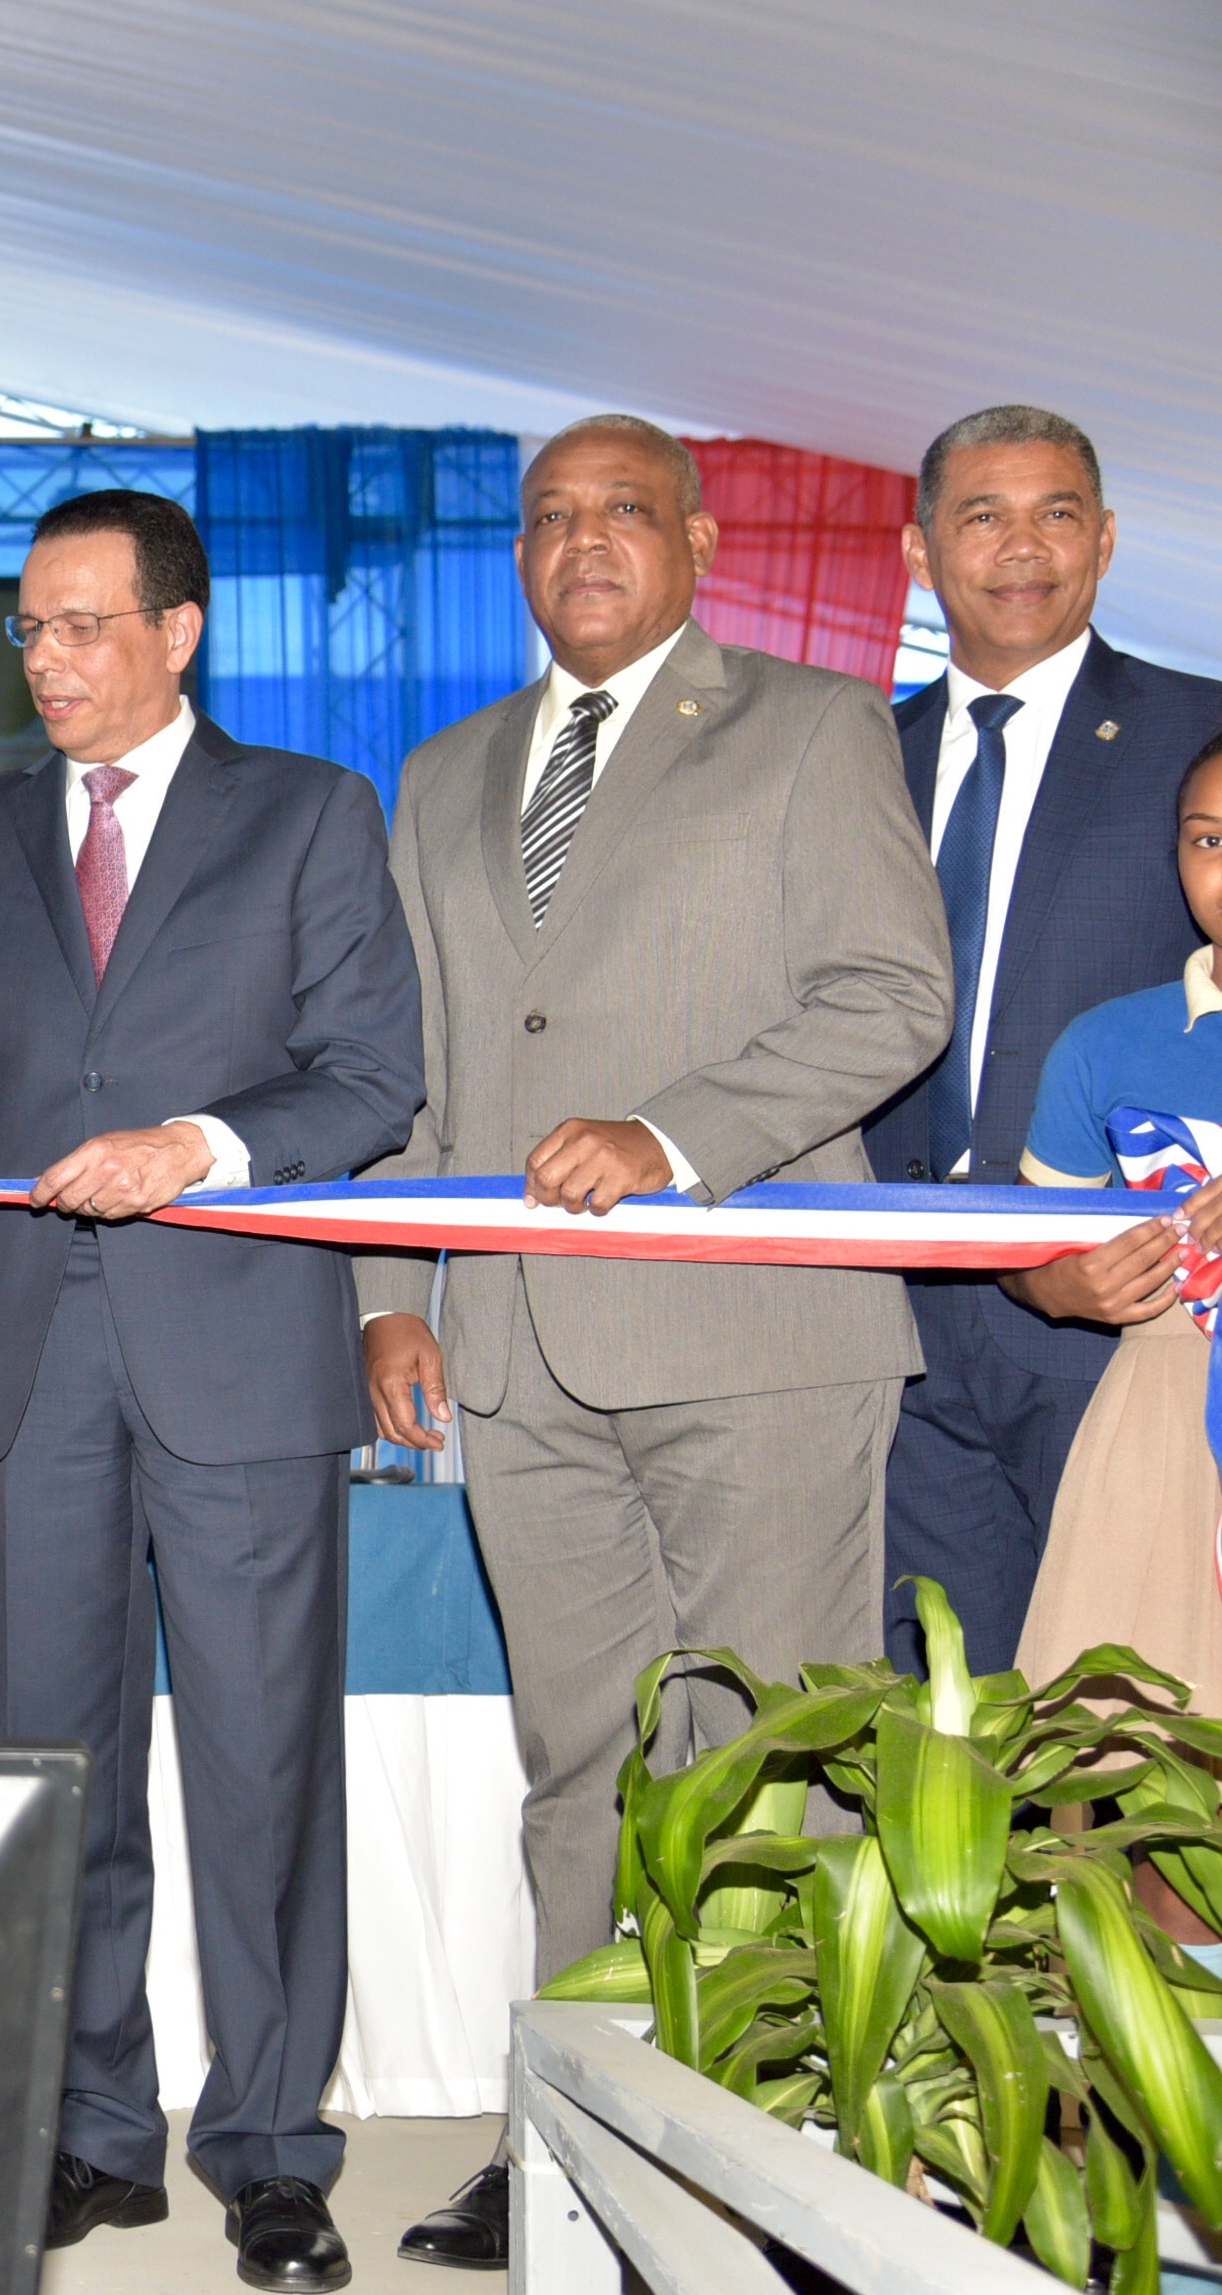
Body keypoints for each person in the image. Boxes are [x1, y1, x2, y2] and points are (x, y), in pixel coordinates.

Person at [361, 419, 951, 2273]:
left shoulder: (812, 723)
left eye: (622, 511)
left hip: (759, 1333)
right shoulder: (443, 770)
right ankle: (581, 2149)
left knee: (770, 1764)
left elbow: (893, 996)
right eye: (547, 518)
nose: (581, 541)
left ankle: (765, 2173)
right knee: (581, 1768)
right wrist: (390, 1286)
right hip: (516, 1349)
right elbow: (425, 1061)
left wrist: (674, 1138)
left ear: (698, 543)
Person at [0, 491, 421, 2290]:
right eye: (28, 629)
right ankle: (90, 2127)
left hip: (243, 1342)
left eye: (84, 625)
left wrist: (203, 1141)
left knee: (265, 1768)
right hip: (26, 1368)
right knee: (64, 1768)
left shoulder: (312, 815)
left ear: (179, 634)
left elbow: (372, 1081)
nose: (49, 661)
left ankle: (270, 2144)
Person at [859, 408, 1222, 1677]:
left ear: (1106, 540)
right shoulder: (848, 758)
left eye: (1056, 513)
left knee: (1131, 1734)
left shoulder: (1202, 738)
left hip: (1128, 1321)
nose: (1023, 547)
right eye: (982, 515)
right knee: (933, 1737)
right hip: (882, 1326)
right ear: (916, 551)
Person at [1005, 725, 1222, 1972]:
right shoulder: (1106, 1042)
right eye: (1204, 839)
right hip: (1155, 1425)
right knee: (1135, 1780)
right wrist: (1072, 1286)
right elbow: (1032, 1257)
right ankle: (1149, 2100)